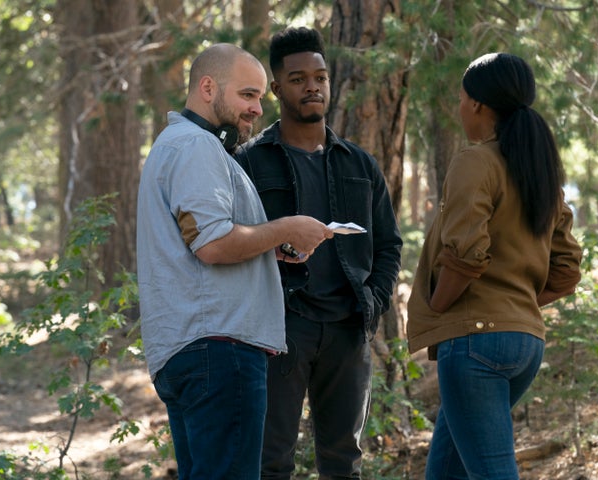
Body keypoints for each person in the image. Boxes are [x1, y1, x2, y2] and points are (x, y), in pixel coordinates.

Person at [136, 43, 333, 480]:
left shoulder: (179, 145)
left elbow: (200, 237)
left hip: (195, 348)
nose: (257, 109)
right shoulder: (195, 147)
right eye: (248, 95)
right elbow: (212, 244)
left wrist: (270, 247)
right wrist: (285, 229)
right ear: (208, 87)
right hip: (219, 349)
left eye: (261, 97)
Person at [235, 27, 402, 480]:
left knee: (344, 461)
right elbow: (231, 241)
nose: (312, 86)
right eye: (298, 78)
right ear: (276, 88)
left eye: (321, 76)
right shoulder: (250, 162)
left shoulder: (359, 164)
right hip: (280, 328)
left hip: (348, 329)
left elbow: (388, 245)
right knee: (270, 461)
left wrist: (374, 301)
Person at [406, 52, 582, 480]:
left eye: (462, 99)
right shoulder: (537, 172)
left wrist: (442, 306)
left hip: (475, 344)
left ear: (479, 106)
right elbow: (567, 270)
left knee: (493, 473)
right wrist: (514, 308)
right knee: (445, 474)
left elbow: (466, 253)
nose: (460, 108)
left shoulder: (476, 161)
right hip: (525, 343)